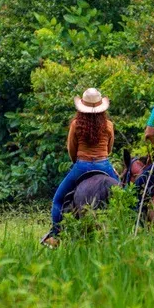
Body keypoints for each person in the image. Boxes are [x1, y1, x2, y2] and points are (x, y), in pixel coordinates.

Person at [46, 88, 119, 240]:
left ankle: (55, 235)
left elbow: (71, 149)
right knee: (124, 196)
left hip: (82, 165)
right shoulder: (108, 125)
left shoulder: (75, 125)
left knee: (58, 199)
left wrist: (77, 163)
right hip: (104, 164)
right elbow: (109, 149)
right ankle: (134, 229)